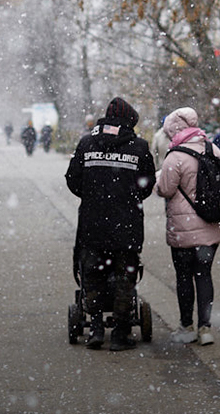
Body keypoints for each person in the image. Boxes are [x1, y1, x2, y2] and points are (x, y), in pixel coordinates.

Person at [65, 97, 156, 351]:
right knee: (125, 277)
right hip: (126, 226)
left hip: (92, 224)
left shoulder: (86, 143)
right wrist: (127, 197)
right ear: (129, 122)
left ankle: (94, 327)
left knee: (92, 274)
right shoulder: (139, 147)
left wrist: (93, 195)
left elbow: (73, 180)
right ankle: (120, 332)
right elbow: (147, 185)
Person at [156, 107, 220, 346]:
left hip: (183, 228)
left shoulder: (174, 156)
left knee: (184, 276)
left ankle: (186, 327)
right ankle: (205, 328)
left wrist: (158, 178)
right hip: (211, 224)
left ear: (174, 131)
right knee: (204, 275)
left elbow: (165, 189)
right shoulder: (213, 149)